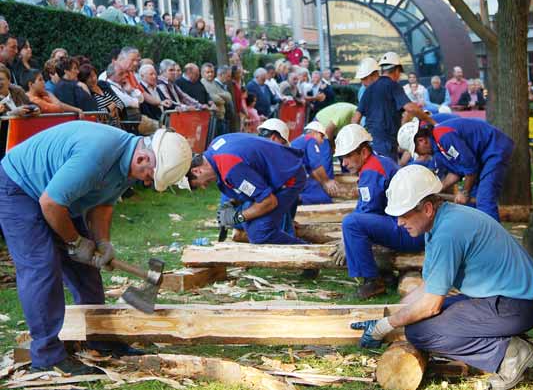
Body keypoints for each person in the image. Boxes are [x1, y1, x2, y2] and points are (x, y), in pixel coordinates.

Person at [0, 122, 191, 375]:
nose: (146, 183)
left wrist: (102, 243)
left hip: (60, 197)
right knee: (42, 267)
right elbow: (50, 204)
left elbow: (103, 205)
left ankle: (100, 339)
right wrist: (76, 242)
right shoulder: (96, 155)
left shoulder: (129, 162)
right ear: (143, 157)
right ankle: (47, 357)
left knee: (86, 272)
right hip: (20, 188)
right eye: (148, 177)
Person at [352, 164, 533, 390]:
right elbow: (428, 287)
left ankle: (510, 353)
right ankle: (504, 343)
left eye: (403, 215)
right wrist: (390, 316)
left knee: (420, 332)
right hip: (507, 301)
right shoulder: (441, 223)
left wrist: (387, 325)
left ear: (427, 208)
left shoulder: (448, 233)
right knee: (420, 321)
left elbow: (430, 306)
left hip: (519, 306)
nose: (399, 222)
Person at [332, 124, 424, 298]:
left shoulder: (372, 171)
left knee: (351, 224)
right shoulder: (378, 162)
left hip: (410, 231)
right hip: (412, 227)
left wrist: (346, 239)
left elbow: (365, 214)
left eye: (347, 157)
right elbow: (366, 208)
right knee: (355, 223)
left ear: (364, 152)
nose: (344, 163)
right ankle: (385, 274)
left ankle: (372, 281)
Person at [186, 133, 307, 244]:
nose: (203, 186)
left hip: (289, 177)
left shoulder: (230, 168)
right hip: (279, 172)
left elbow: (269, 202)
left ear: (196, 171)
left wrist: (238, 217)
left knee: (259, 234)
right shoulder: (215, 145)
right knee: (248, 223)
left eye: (196, 185)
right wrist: (233, 203)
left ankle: (308, 254)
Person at [398, 117, 513, 221]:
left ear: (422, 140)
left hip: (494, 148)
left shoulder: (444, 137)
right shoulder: (438, 148)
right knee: (470, 202)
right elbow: (456, 172)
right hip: (480, 156)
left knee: (484, 200)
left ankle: (493, 240)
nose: (419, 154)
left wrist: (464, 192)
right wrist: (435, 190)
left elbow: (470, 167)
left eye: (416, 150)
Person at [352, 52, 433, 161]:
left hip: (371, 143)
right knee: (390, 175)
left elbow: (355, 120)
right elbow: (410, 108)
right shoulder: (393, 85)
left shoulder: (368, 90)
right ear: (396, 71)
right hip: (386, 143)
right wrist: (431, 121)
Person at [290, 121, 337, 205]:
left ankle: (296, 197)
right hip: (293, 179)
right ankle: (297, 199)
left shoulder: (300, 141)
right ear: (314, 133)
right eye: (322, 136)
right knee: (325, 198)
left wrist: (323, 183)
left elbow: (312, 171)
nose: (322, 141)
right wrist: (327, 182)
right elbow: (316, 165)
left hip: (290, 178)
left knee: (317, 187)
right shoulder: (311, 140)